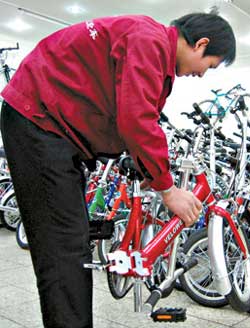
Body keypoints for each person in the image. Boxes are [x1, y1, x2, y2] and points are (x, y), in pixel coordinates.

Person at [0, 12, 236, 328]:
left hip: (54, 129)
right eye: (210, 65)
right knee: (63, 248)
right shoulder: (148, 41)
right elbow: (137, 120)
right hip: (38, 122)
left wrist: (147, 167)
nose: (203, 74)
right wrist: (168, 188)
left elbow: (127, 112)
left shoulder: (149, 42)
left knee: (73, 240)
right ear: (201, 44)